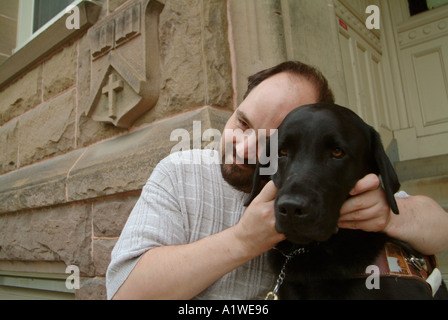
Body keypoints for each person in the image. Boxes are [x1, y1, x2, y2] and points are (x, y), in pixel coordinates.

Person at [106, 61, 448, 300]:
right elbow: (126, 295)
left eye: (274, 141)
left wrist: (389, 214)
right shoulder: (181, 173)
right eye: (243, 123)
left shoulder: (336, 181)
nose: (245, 149)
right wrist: (243, 240)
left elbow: (440, 230)